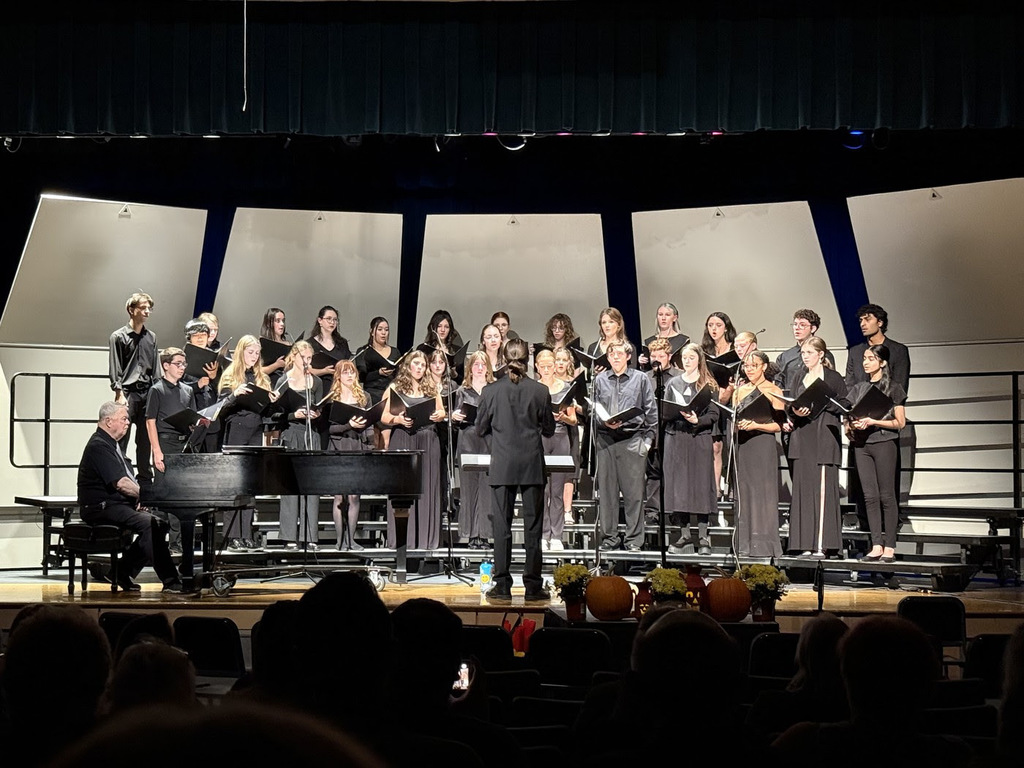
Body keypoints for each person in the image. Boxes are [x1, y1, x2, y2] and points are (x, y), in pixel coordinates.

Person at [476, 338, 555, 600]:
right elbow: (549, 428)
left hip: (503, 464)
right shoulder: (540, 390)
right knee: (533, 527)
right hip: (531, 464)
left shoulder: (490, 391)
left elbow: (480, 428)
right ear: (528, 361)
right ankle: (533, 587)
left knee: (502, 527)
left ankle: (502, 586)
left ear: (503, 357)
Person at [77, 401, 182, 591]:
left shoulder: (111, 444)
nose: (128, 423)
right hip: (99, 507)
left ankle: (120, 573)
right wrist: (145, 496)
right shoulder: (98, 446)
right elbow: (120, 483)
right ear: (108, 421)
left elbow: (127, 479)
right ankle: (171, 581)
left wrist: (138, 499)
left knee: (160, 523)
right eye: (124, 419)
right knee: (151, 524)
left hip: (113, 505)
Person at [783, 337, 850, 557]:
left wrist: (822, 402)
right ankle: (805, 545)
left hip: (824, 436)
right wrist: (795, 411)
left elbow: (846, 404)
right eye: (803, 353)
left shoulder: (833, 378)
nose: (805, 357)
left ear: (821, 354)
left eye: (809, 353)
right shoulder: (798, 376)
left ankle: (822, 544)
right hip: (803, 436)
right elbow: (789, 405)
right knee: (803, 491)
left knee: (821, 492)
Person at [591, 340, 657, 551]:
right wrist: (604, 421)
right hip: (606, 440)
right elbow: (593, 411)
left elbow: (651, 411)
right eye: (612, 354)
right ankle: (609, 538)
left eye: (620, 354)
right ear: (608, 358)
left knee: (634, 494)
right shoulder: (600, 380)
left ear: (628, 356)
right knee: (607, 493)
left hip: (632, 439)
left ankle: (634, 540)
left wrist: (647, 442)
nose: (616, 357)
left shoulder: (641, 379)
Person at [846, 345, 907, 562]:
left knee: (887, 495)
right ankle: (876, 545)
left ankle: (890, 545)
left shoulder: (893, 388)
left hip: (884, 442)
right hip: (862, 445)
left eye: (871, 358)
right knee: (869, 497)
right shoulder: (858, 388)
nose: (865, 362)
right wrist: (852, 424)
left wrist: (874, 421)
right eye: (864, 358)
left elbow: (900, 423)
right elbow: (848, 416)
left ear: (882, 362)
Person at [145, 346, 202, 572]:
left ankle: (178, 543)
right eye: (178, 364)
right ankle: (159, 543)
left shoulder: (187, 390)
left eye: (183, 364)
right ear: (166, 365)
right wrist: (156, 451)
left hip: (183, 442)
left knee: (181, 495)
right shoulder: (157, 390)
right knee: (164, 494)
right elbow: (150, 422)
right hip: (165, 442)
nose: (182, 368)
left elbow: (192, 417)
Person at [381, 349, 446, 549]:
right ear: (408, 366)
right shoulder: (395, 387)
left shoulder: (431, 387)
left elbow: (442, 410)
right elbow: (382, 416)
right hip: (403, 439)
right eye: (416, 364)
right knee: (403, 490)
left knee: (426, 487)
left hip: (427, 440)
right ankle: (402, 541)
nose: (420, 368)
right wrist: (398, 419)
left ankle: (426, 541)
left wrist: (438, 416)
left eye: (423, 365)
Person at [663, 343, 720, 556]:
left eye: (691, 357)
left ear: (699, 360)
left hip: (699, 438)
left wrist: (698, 420)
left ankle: (704, 536)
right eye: (684, 358)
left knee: (700, 486)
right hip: (677, 437)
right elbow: (666, 410)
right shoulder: (673, 383)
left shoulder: (709, 384)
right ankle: (684, 534)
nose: (687, 361)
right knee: (680, 487)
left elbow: (714, 415)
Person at [731, 351, 785, 557]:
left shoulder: (773, 390)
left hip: (763, 445)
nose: (749, 369)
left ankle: (765, 544)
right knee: (744, 493)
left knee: (764, 494)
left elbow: (780, 425)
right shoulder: (739, 391)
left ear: (764, 366)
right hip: (743, 446)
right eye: (746, 366)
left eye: (754, 365)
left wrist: (756, 425)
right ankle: (744, 544)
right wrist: (738, 425)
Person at [275, 341, 323, 550]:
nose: (307, 361)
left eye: (310, 358)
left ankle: (310, 535)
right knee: (289, 486)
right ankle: (289, 537)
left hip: (311, 434)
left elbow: (322, 410)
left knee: (311, 486)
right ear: (294, 356)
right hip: (291, 432)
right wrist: (294, 414)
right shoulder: (283, 381)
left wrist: (316, 413)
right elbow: (275, 413)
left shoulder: (317, 382)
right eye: (304, 357)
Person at [108, 291, 159, 484]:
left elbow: (155, 369)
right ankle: (120, 477)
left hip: (147, 392)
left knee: (145, 440)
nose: (147, 312)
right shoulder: (118, 337)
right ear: (131, 310)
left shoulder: (151, 337)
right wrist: (119, 392)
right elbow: (116, 367)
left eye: (149, 308)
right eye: (143, 308)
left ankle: (145, 480)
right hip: (128, 393)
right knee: (122, 436)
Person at [324, 359, 374, 550]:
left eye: (352, 372)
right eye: (345, 372)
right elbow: (329, 429)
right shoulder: (331, 399)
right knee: (339, 497)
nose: (350, 375)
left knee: (354, 497)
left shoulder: (364, 397)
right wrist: (348, 425)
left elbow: (369, 424)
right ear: (338, 376)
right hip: (338, 447)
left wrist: (371, 445)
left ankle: (351, 540)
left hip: (357, 446)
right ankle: (339, 540)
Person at [535, 348, 578, 551]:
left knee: (558, 490)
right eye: (542, 366)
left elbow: (574, 418)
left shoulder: (566, 387)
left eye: (549, 366)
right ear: (537, 367)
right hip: (540, 438)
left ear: (555, 366)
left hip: (560, 437)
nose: (546, 369)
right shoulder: (534, 388)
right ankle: (543, 534)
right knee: (542, 489)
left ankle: (557, 534)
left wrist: (562, 417)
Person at [452, 350, 494, 549]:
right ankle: (470, 535)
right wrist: (455, 417)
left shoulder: (493, 390)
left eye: (482, 365)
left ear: (488, 368)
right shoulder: (462, 391)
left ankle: (484, 535)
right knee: (468, 489)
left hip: (488, 440)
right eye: (475, 364)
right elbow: (455, 414)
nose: (479, 368)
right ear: (470, 368)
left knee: (486, 488)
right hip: (467, 438)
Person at [642, 337, 681, 522]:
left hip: (674, 430)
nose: (656, 358)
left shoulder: (679, 376)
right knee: (654, 472)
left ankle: (673, 510)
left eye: (660, 355)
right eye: (653, 355)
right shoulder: (646, 377)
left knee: (673, 472)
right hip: (653, 431)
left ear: (669, 356)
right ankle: (652, 511)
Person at [702, 311, 738, 498]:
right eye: (710, 325)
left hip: (733, 400)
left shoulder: (735, 348)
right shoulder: (705, 351)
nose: (714, 329)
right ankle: (715, 489)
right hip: (713, 399)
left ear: (726, 328)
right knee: (715, 446)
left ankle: (732, 488)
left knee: (732, 445)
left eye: (718, 325)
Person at [844, 303, 911, 393]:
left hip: (888, 404)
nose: (862, 324)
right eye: (861, 320)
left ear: (879, 322)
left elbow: (901, 386)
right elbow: (850, 385)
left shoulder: (898, 350)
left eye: (867, 320)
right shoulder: (855, 351)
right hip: (859, 404)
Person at [355, 316, 399, 449]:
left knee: (387, 441)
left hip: (390, 395)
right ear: (372, 331)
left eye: (386, 330)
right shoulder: (364, 351)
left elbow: (401, 376)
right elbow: (361, 376)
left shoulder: (395, 351)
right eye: (380, 329)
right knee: (373, 439)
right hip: (372, 395)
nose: (384, 333)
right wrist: (378, 373)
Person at [182, 317, 221, 453]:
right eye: (196, 336)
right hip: (192, 419)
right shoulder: (181, 359)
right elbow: (176, 389)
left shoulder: (215, 358)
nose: (200, 339)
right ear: (189, 338)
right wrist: (197, 385)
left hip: (212, 420)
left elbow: (224, 390)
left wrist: (214, 378)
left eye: (203, 335)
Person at [774, 308, 836, 393]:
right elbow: (778, 382)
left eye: (802, 325)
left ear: (813, 328)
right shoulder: (784, 356)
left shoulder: (824, 354)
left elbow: (831, 381)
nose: (797, 328)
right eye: (795, 324)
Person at [638, 301, 690, 369]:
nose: (663, 318)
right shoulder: (648, 342)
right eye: (660, 314)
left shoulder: (683, 341)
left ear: (674, 318)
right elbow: (647, 369)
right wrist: (642, 363)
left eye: (667, 315)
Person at [259, 306, 290, 379]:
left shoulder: (289, 344)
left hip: (287, 380)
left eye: (283, 321)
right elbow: (258, 371)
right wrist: (277, 365)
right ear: (269, 323)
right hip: (269, 381)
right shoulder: (263, 344)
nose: (282, 324)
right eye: (278, 321)